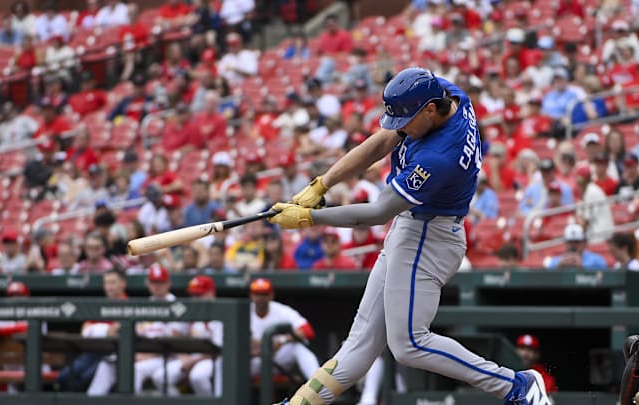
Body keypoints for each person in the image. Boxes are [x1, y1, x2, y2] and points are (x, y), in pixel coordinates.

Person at [267, 67, 551, 405]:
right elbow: (382, 141)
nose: (399, 127)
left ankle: (515, 385)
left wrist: (309, 218)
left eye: (406, 120)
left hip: (430, 235)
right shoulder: (447, 94)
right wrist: (322, 183)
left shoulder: (440, 156)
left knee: (409, 344)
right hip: (415, 227)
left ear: (430, 110)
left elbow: (377, 213)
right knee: (359, 344)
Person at [87, 264, 189, 395]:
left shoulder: (177, 306)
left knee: (134, 370)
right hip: (141, 354)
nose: (157, 286)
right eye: (154, 282)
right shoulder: (145, 304)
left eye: (161, 282)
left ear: (168, 283)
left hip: (167, 357)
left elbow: (174, 344)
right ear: (148, 284)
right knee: (107, 365)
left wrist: (143, 356)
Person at [248, 278, 320, 381]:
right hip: (252, 362)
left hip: (276, 360)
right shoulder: (244, 311)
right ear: (251, 295)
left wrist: (281, 341)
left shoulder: (281, 310)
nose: (260, 298)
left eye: (264, 294)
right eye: (257, 294)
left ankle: (317, 386)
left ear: (271, 295)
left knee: (297, 346)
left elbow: (307, 331)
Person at [185, 275, 224, 396]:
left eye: (199, 295)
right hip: (191, 357)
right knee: (161, 376)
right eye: (194, 295)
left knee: (197, 376)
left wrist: (192, 361)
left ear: (211, 293)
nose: (196, 299)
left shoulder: (221, 312)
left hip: (214, 358)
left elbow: (218, 350)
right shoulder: (191, 311)